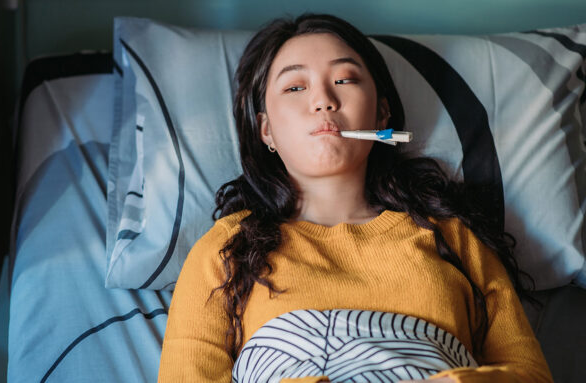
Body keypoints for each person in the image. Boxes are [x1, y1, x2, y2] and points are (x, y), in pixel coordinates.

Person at [158, 13, 553, 383]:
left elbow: (528, 373)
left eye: (345, 80)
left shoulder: (452, 236)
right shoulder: (225, 252)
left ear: (382, 115)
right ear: (266, 131)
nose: (324, 100)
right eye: (295, 87)